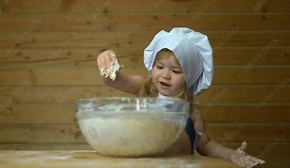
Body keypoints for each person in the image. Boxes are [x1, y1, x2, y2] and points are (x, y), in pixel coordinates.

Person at [96, 27, 265, 167]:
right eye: (159, 66)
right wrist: (106, 58)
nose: (165, 75)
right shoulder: (143, 89)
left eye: (175, 71)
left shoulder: (192, 113)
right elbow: (114, 80)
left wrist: (231, 155)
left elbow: (205, 145)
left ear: (188, 78)